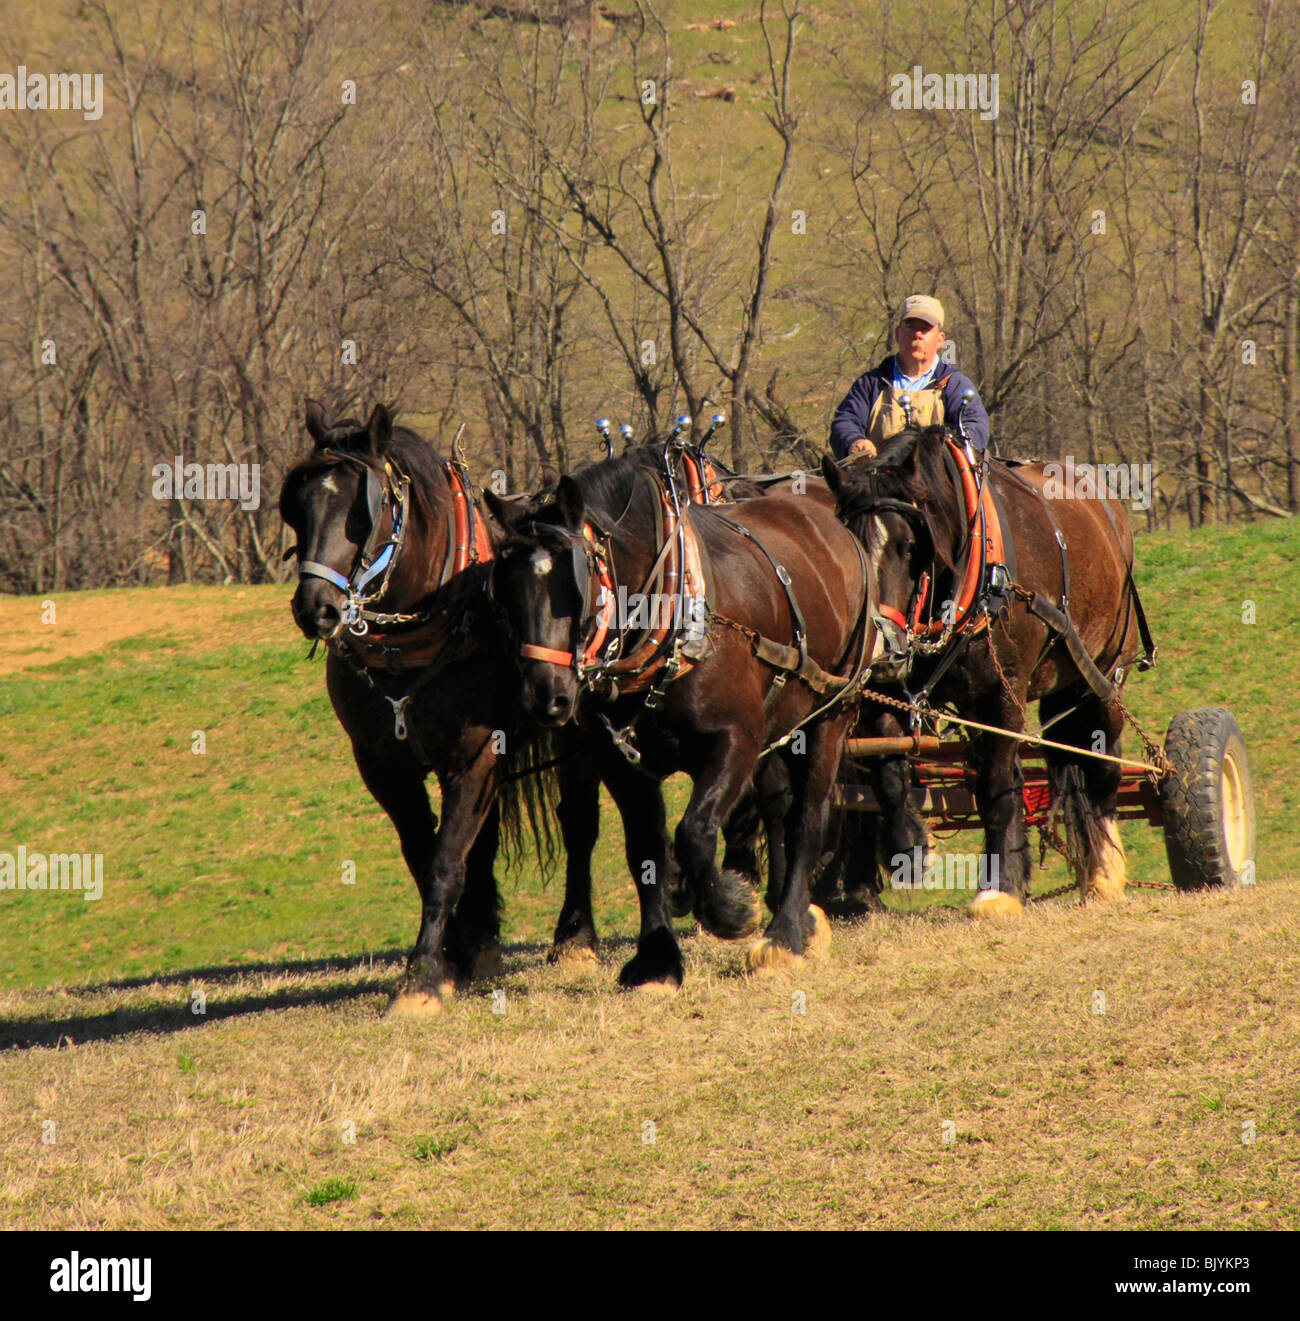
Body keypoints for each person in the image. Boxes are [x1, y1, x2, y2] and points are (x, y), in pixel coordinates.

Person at [829, 295, 989, 460]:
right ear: (898, 334)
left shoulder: (955, 385)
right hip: (877, 480)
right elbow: (845, 422)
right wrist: (854, 442)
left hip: (936, 482)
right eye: (911, 326)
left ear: (940, 340)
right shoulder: (871, 383)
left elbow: (975, 427)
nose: (917, 334)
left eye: (925, 328)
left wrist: (947, 453)